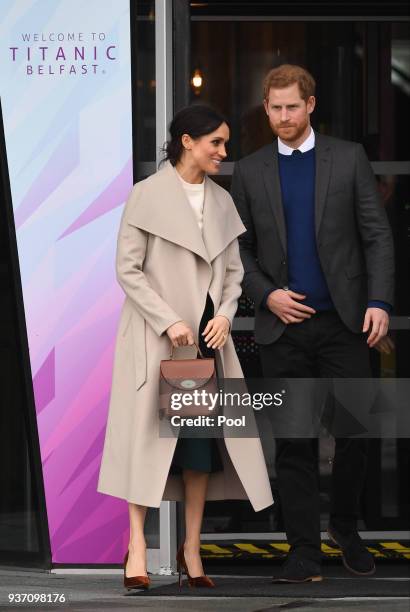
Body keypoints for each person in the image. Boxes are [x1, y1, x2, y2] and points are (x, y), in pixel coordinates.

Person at [97, 104, 273, 590]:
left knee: (197, 451)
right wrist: (168, 318)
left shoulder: (221, 200)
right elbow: (127, 269)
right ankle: (136, 546)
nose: (223, 151)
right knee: (144, 447)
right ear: (187, 142)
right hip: (158, 342)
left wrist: (222, 315)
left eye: (224, 141)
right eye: (215, 142)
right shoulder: (146, 195)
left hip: (203, 345)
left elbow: (234, 275)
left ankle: (191, 547)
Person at [231, 64, 394, 583]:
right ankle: (302, 550)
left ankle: (344, 527)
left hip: (346, 324)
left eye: (292, 107)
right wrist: (266, 296)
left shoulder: (347, 158)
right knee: (295, 441)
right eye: (274, 108)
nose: (283, 117)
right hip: (284, 329)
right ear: (267, 108)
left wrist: (379, 301)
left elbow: (376, 236)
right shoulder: (251, 169)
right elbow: (241, 248)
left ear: (311, 104)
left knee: (358, 431)